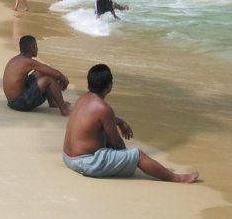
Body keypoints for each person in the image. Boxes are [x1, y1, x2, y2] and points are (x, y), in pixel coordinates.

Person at [63, 64, 199, 182]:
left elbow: (94, 120)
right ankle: (177, 178)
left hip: (68, 157)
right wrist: (127, 157)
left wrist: (120, 122)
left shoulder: (83, 99)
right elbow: (117, 144)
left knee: (102, 134)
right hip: (86, 163)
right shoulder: (103, 108)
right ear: (109, 86)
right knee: (138, 155)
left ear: (89, 84)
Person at [2, 35, 71, 116]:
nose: (37, 48)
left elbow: (48, 70)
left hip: (13, 100)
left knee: (43, 72)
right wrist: (64, 79)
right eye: (36, 46)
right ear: (32, 48)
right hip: (18, 103)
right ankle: (64, 110)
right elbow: (55, 73)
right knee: (48, 79)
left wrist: (60, 78)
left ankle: (52, 103)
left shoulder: (18, 59)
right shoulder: (27, 62)